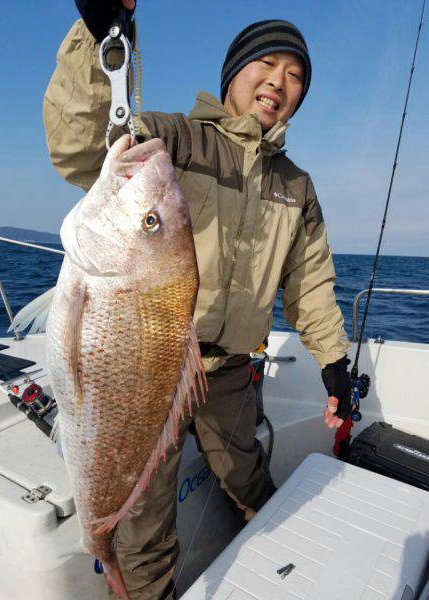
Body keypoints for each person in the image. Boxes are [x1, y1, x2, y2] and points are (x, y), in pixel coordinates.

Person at [44, 3, 352, 598]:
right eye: (266, 63)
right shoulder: (173, 140)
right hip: (150, 370)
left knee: (247, 475)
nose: (278, 82)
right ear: (232, 73)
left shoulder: (297, 186)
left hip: (231, 369)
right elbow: (79, 146)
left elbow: (309, 280)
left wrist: (335, 361)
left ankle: (278, 560)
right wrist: (98, 35)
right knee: (144, 524)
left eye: (295, 76)